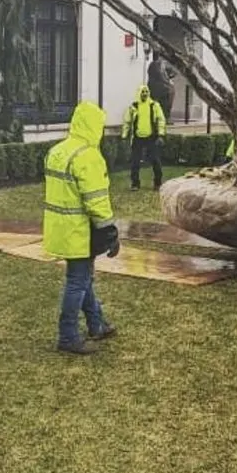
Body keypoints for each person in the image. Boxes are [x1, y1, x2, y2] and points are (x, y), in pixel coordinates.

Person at [43, 100, 120, 356]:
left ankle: (97, 324)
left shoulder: (57, 151)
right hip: (80, 231)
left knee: (83, 277)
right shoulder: (88, 156)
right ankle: (68, 336)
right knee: (77, 282)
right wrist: (110, 232)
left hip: (60, 229)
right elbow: (96, 199)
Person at [121, 84, 167, 190]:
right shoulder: (133, 106)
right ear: (139, 93)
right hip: (137, 138)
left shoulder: (154, 105)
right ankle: (135, 183)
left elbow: (161, 120)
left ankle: (158, 183)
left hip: (152, 137)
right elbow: (127, 122)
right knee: (135, 161)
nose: (145, 94)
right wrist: (124, 136)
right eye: (143, 92)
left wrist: (160, 135)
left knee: (155, 160)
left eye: (146, 91)